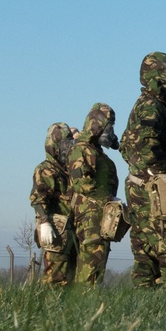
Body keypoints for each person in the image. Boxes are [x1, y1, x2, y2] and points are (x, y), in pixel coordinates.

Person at [120, 52, 166, 288]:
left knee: (145, 253)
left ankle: (144, 306)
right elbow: (144, 146)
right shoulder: (152, 108)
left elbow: (124, 145)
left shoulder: (151, 105)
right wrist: (161, 176)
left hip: (143, 190)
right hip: (157, 193)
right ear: (159, 77)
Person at [67, 103, 120, 285]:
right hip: (89, 217)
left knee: (98, 262)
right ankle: (84, 299)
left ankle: (92, 300)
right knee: (90, 262)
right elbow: (81, 183)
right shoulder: (80, 150)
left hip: (101, 217)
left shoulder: (97, 153)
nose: (110, 130)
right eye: (107, 125)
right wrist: (106, 198)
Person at [30, 122, 77, 286]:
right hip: (56, 231)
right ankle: (47, 308)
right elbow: (37, 198)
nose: (67, 148)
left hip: (72, 231)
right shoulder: (45, 169)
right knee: (54, 279)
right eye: (63, 144)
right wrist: (44, 222)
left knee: (72, 278)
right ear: (54, 145)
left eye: (69, 143)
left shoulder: (69, 170)